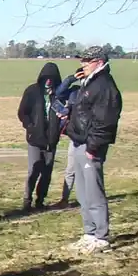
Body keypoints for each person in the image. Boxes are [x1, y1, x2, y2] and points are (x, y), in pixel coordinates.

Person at [65, 47, 123, 253]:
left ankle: (101, 237)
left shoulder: (104, 85)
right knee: (83, 193)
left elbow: (105, 120)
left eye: (87, 61)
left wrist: (94, 146)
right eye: (82, 60)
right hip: (79, 141)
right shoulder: (89, 82)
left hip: (91, 145)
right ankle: (89, 233)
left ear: (99, 62)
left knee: (94, 192)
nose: (83, 64)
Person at [17, 63, 64, 211]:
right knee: (33, 170)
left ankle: (40, 200)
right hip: (35, 139)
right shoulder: (32, 91)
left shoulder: (59, 94)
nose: (48, 81)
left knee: (46, 172)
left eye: (52, 78)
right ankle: (27, 200)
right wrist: (30, 126)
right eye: (46, 78)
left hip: (51, 139)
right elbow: (22, 112)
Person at [50, 67, 84, 210]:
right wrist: (71, 78)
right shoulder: (74, 91)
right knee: (70, 170)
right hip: (75, 137)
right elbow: (59, 93)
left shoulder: (95, 92)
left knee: (87, 171)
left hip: (89, 138)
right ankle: (64, 199)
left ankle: (89, 200)